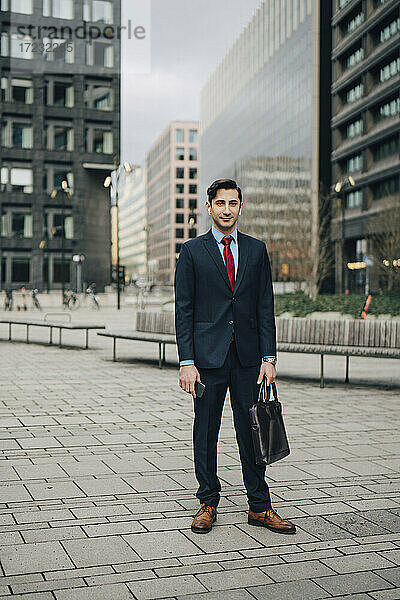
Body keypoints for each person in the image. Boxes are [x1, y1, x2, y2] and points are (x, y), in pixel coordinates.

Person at [174, 178, 296, 535]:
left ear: (241, 207)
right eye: (220, 203)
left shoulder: (257, 250)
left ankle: (259, 506)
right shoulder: (193, 251)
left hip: (247, 359)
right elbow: (184, 309)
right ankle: (207, 502)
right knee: (205, 430)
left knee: (252, 431)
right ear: (209, 207)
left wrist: (269, 358)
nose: (227, 209)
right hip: (207, 360)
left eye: (233, 203)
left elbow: (264, 307)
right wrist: (186, 362)